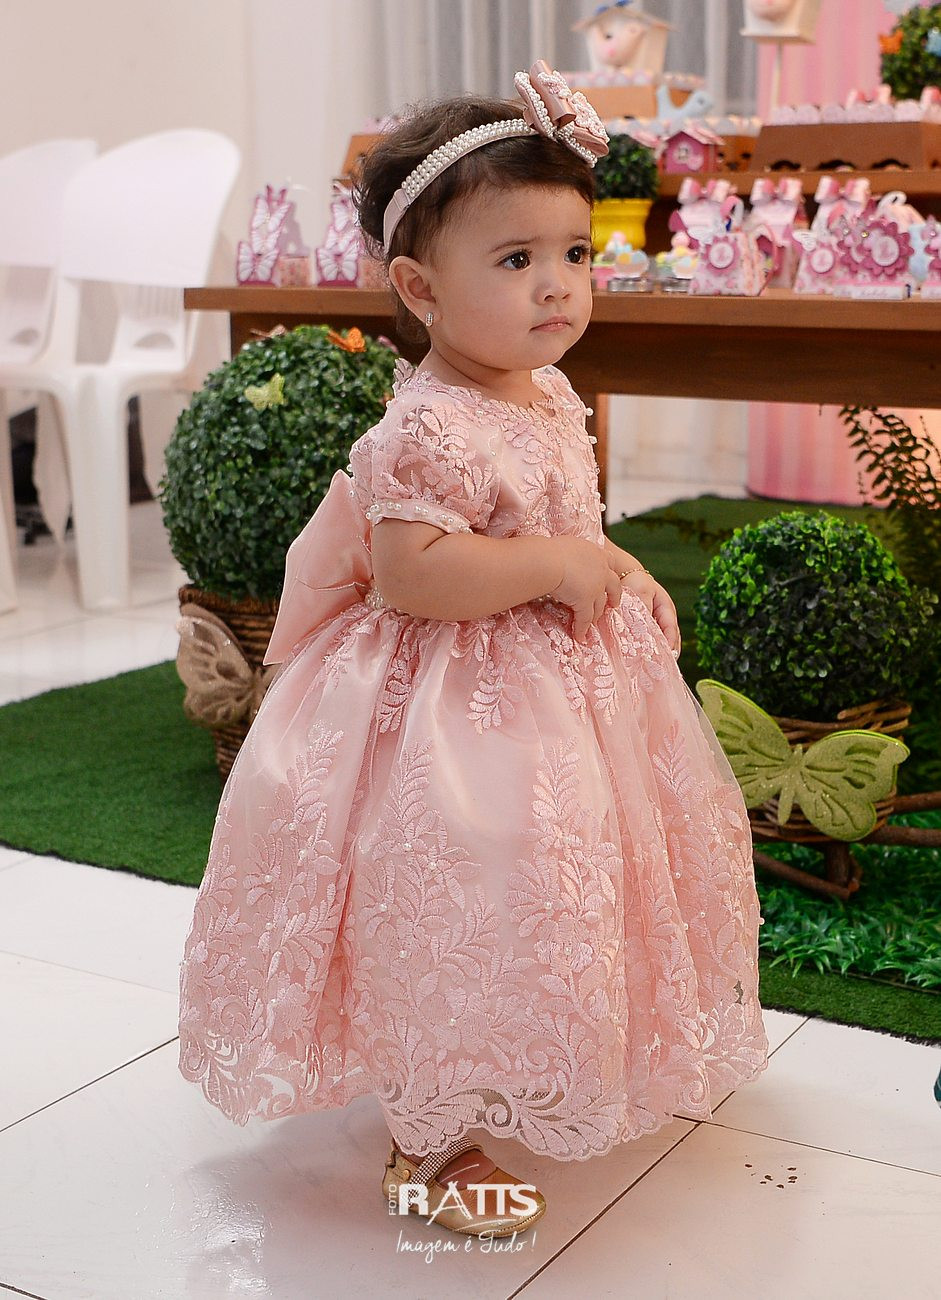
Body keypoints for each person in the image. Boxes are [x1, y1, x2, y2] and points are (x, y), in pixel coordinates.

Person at [177, 61, 770, 1239]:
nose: (557, 285)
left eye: (573, 253)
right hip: (452, 712)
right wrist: (552, 569)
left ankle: (564, 1050)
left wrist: (614, 567)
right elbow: (411, 570)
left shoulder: (543, 391)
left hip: (566, 695)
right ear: (419, 287)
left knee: (565, 881)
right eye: (514, 260)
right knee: (459, 887)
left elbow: (565, 522)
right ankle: (431, 1134)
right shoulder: (426, 423)